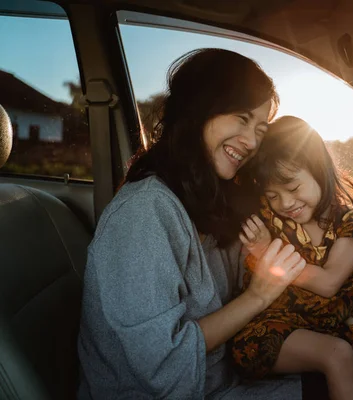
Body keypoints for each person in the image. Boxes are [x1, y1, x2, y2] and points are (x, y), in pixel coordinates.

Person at [77, 49, 307, 399]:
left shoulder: (208, 198)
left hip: (222, 381)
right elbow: (164, 367)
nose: (251, 142)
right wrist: (259, 295)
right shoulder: (143, 213)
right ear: (200, 109)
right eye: (242, 119)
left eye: (260, 129)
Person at [231, 116, 353, 400]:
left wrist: (267, 252)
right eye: (273, 195)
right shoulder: (270, 219)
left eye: (294, 188)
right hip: (269, 329)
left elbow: (328, 283)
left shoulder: (349, 224)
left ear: (319, 171)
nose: (285, 203)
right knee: (338, 354)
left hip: (328, 328)